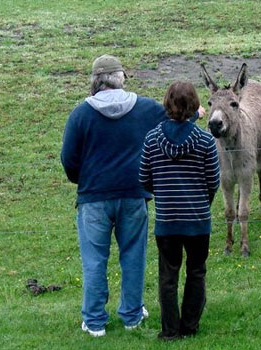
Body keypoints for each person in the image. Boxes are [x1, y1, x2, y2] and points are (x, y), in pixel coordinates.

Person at [60, 54, 168, 337]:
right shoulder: (145, 108)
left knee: (94, 259)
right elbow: (176, 119)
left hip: (93, 198)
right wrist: (197, 114)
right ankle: (132, 315)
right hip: (134, 194)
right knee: (133, 256)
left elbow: (68, 159)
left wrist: (83, 181)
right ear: (121, 78)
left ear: (96, 81)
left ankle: (95, 322)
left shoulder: (81, 114)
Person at [139, 81, 219, 340]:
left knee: (168, 275)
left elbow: (144, 178)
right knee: (196, 271)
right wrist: (201, 203)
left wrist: (162, 193)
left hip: (167, 220)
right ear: (195, 105)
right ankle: (190, 326)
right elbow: (213, 181)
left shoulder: (152, 139)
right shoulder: (205, 141)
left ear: (167, 104)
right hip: (197, 220)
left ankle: (170, 330)